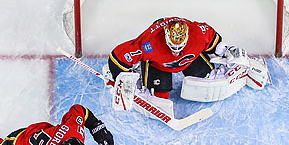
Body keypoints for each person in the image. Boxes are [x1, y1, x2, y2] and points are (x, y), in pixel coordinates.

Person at [105, 16, 269, 104]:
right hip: (159, 65)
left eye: (179, 47)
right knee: (159, 97)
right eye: (172, 46)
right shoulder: (149, 43)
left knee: (206, 78)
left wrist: (227, 51)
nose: (176, 52)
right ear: (166, 38)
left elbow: (214, 41)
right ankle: (142, 73)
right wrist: (120, 78)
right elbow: (118, 57)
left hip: (190, 59)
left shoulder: (198, 33)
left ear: (187, 38)